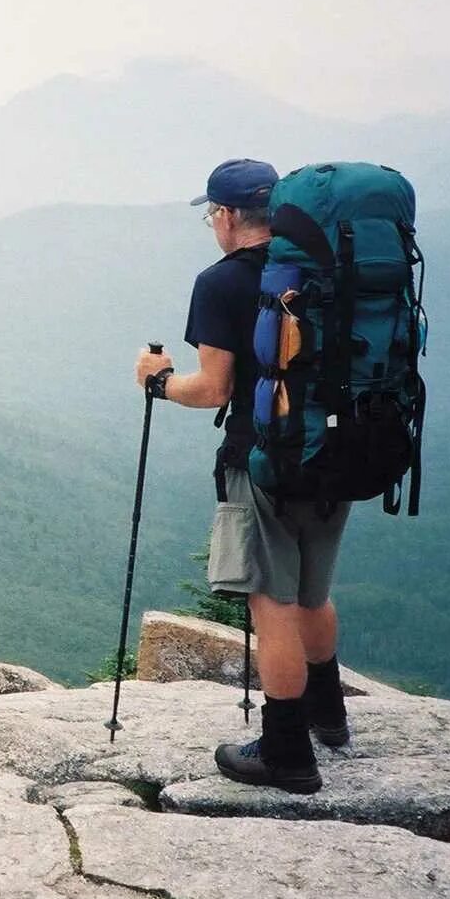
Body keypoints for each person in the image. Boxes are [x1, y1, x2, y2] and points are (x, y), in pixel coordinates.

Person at [132, 158, 350, 795]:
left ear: (227, 216)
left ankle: (286, 753)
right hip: (338, 450)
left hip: (265, 461)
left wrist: (159, 381)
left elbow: (213, 389)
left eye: (211, 214)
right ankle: (328, 718)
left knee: (271, 600)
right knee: (312, 591)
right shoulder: (325, 267)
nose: (212, 224)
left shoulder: (223, 282)